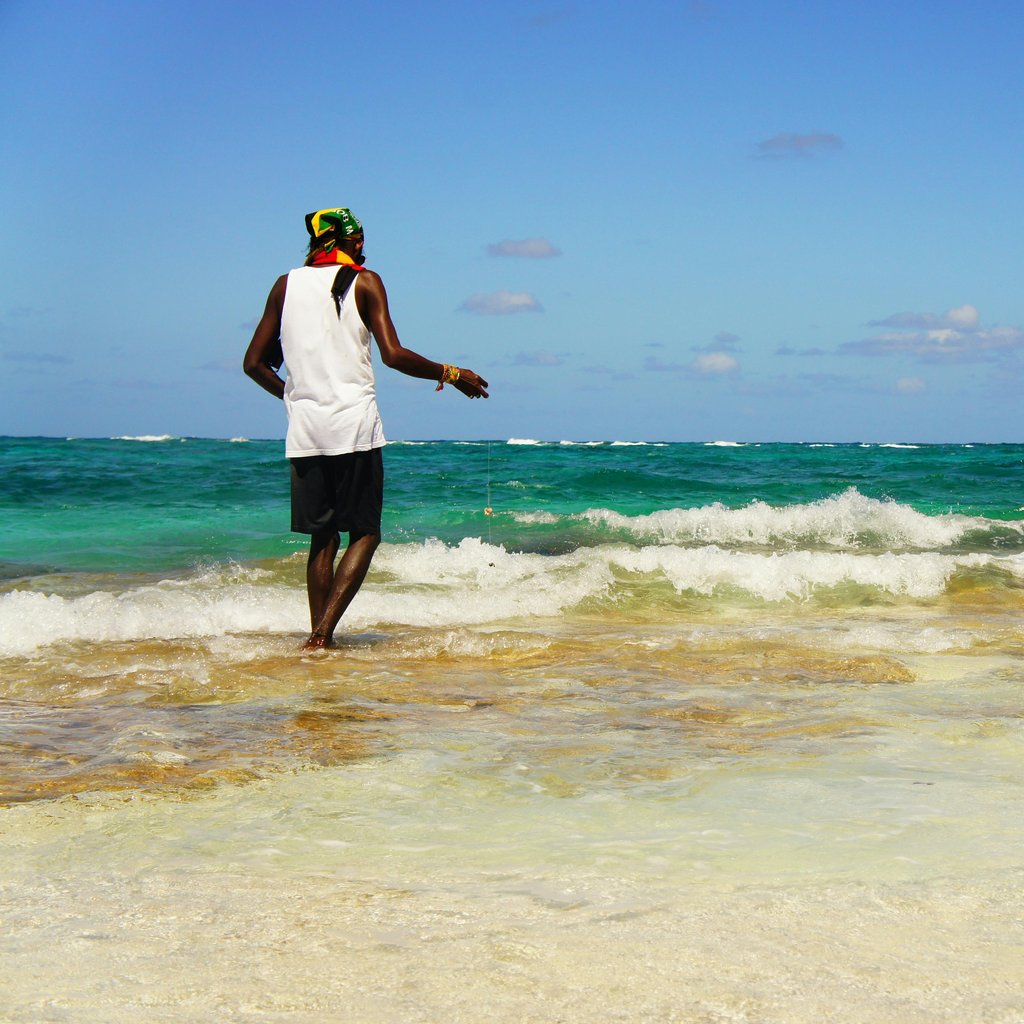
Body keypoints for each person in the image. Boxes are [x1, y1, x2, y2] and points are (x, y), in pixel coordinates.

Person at [243, 207, 489, 649]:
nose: (364, 246)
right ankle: (320, 638)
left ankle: (320, 643)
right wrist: (452, 374)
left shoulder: (286, 286)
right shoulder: (366, 281)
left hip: (306, 430)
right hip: (353, 426)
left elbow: (253, 364)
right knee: (365, 533)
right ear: (346, 241)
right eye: (360, 239)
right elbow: (393, 355)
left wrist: (294, 398)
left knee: (323, 536)